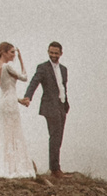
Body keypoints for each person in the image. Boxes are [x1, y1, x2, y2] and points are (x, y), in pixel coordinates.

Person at [0, 42, 39, 179]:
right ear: (3, 52)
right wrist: (22, 60)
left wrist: (19, 100)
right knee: (14, 133)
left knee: (6, 133)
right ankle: (13, 166)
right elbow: (24, 77)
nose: (14, 55)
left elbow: (6, 90)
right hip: (10, 105)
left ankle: (7, 164)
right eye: (12, 52)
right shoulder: (7, 66)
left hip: (5, 102)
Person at [22, 41, 71, 180]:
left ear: (61, 53)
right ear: (48, 52)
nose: (53, 55)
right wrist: (28, 97)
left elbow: (62, 87)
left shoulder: (64, 69)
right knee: (55, 137)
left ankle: (56, 167)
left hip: (61, 106)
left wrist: (66, 103)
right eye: (51, 53)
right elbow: (34, 82)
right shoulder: (43, 68)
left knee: (59, 137)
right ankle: (55, 169)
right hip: (50, 106)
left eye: (56, 53)